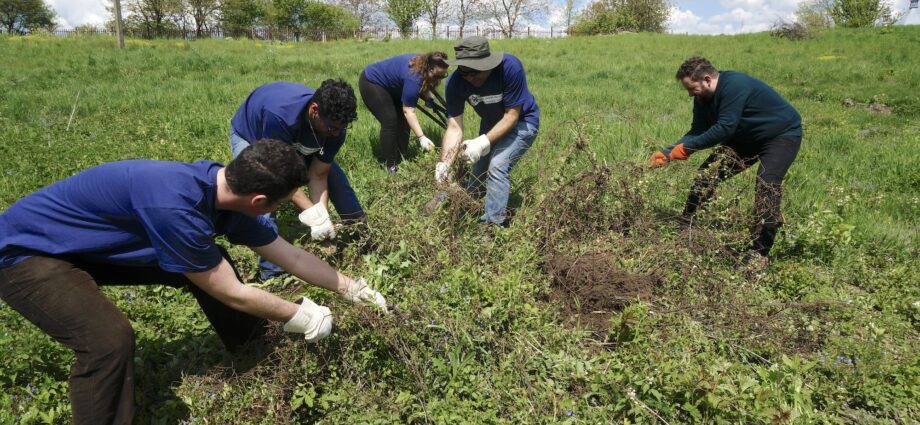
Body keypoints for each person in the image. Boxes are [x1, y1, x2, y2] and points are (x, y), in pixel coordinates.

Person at [0, 140, 388, 425]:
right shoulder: (175, 207)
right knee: (107, 340)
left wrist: (352, 288)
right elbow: (231, 294)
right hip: (25, 254)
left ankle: (253, 349)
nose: (281, 208)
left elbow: (292, 255)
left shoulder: (218, 190)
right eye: (281, 203)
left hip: (89, 243)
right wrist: (301, 315)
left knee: (211, 262)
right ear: (259, 202)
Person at [650, 56, 803, 266]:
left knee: (767, 184)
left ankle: (760, 254)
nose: (689, 93)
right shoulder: (702, 98)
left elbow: (725, 128)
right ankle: (686, 224)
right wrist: (668, 152)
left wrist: (686, 149)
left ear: (707, 79)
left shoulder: (735, 85)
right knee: (706, 176)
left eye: (692, 87)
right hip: (744, 138)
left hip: (780, 135)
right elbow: (698, 130)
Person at [230, 79, 362, 279]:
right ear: (314, 110)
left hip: (298, 140)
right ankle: (273, 274)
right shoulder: (279, 116)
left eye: (341, 128)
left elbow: (318, 174)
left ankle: (362, 236)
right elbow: (278, 175)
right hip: (251, 135)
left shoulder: (335, 126)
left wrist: (321, 218)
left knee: (339, 183)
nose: (335, 133)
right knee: (263, 194)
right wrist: (312, 214)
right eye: (332, 127)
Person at [436, 36, 539, 227]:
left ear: (488, 64)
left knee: (497, 166)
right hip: (490, 125)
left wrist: (481, 143)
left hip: (523, 122)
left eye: (475, 72)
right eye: (464, 72)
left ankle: (491, 226)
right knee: (476, 182)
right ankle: (463, 202)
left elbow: (511, 116)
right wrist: (445, 164)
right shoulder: (455, 83)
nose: (470, 78)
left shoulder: (510, 67)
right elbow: (454, 127)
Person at [359, 52, 450, 174]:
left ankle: (401, 157)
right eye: (437, 76)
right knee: (390, 120)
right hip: (372, 82)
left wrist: (429, 99)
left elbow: (423, 84)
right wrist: (421, 137)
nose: (438, 80)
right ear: (429, 68)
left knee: (403, 122)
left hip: (392, 86)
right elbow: (409, 111)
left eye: (442, 76)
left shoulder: (423, 65)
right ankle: (389, 166)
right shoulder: (413, 77)